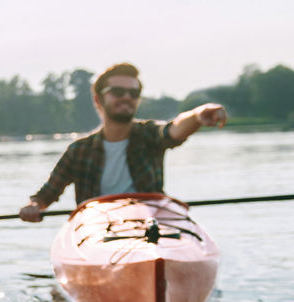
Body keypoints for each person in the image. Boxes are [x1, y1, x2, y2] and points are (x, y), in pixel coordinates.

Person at [18, 62, 228, 221]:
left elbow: (174, 130)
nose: (126, 97)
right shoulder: (78, 150)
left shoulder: (149, 135)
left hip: (150, 224)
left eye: (133, 93)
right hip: (98, 228)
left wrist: (198, 115)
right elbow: (46, 195)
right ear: (98, 100)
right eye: (117, 92)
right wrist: (33, 206)